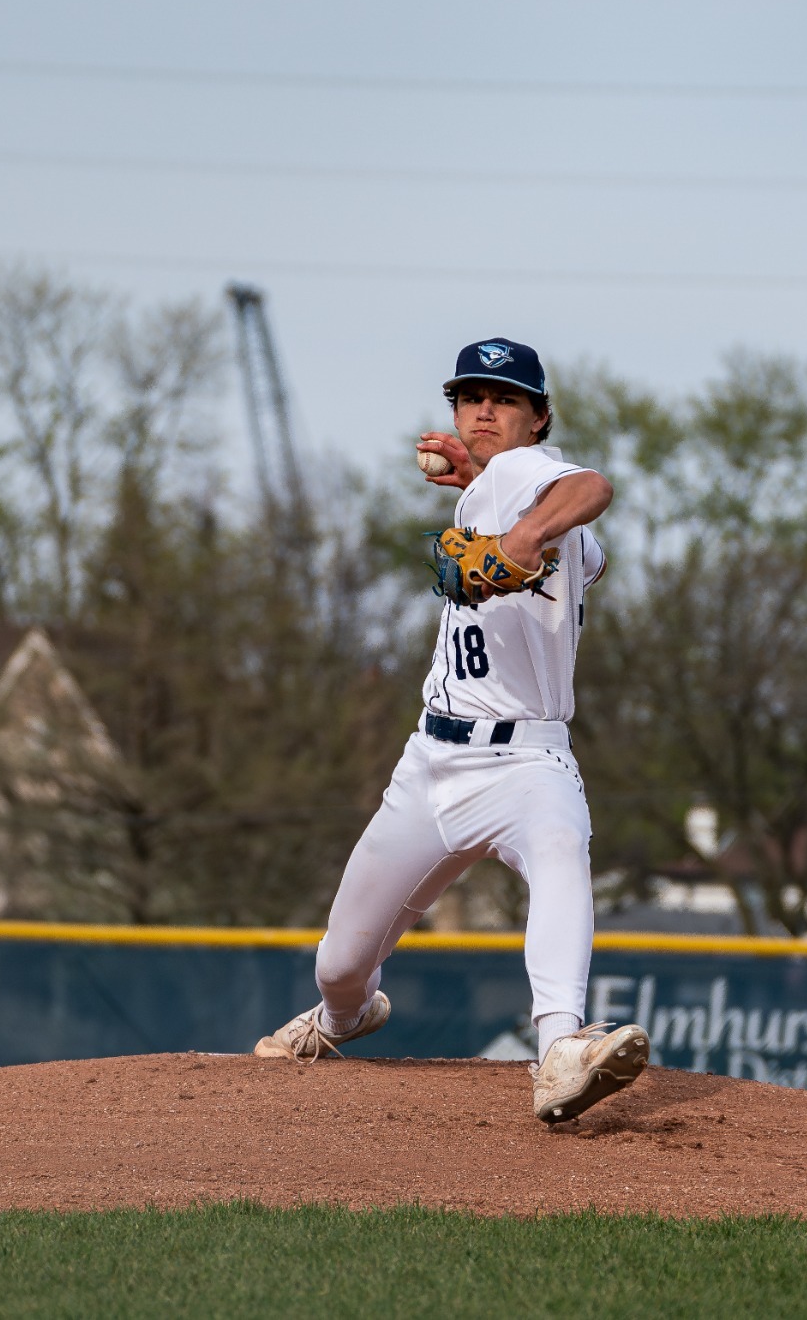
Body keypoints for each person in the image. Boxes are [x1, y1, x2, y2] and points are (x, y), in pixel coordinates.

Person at [254, 337, 650, 1123]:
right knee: (339, 964)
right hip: (431, 762)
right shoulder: (498, 486)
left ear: (539, 418)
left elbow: (592, 487)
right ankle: (343, 1017)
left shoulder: (525, 474)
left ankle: (560, 1048)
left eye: (505, 399)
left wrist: (522, 536)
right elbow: (589, 555)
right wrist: (498, 502)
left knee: (562, 852)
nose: (484, 411)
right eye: (471, 398)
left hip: (528, 761)